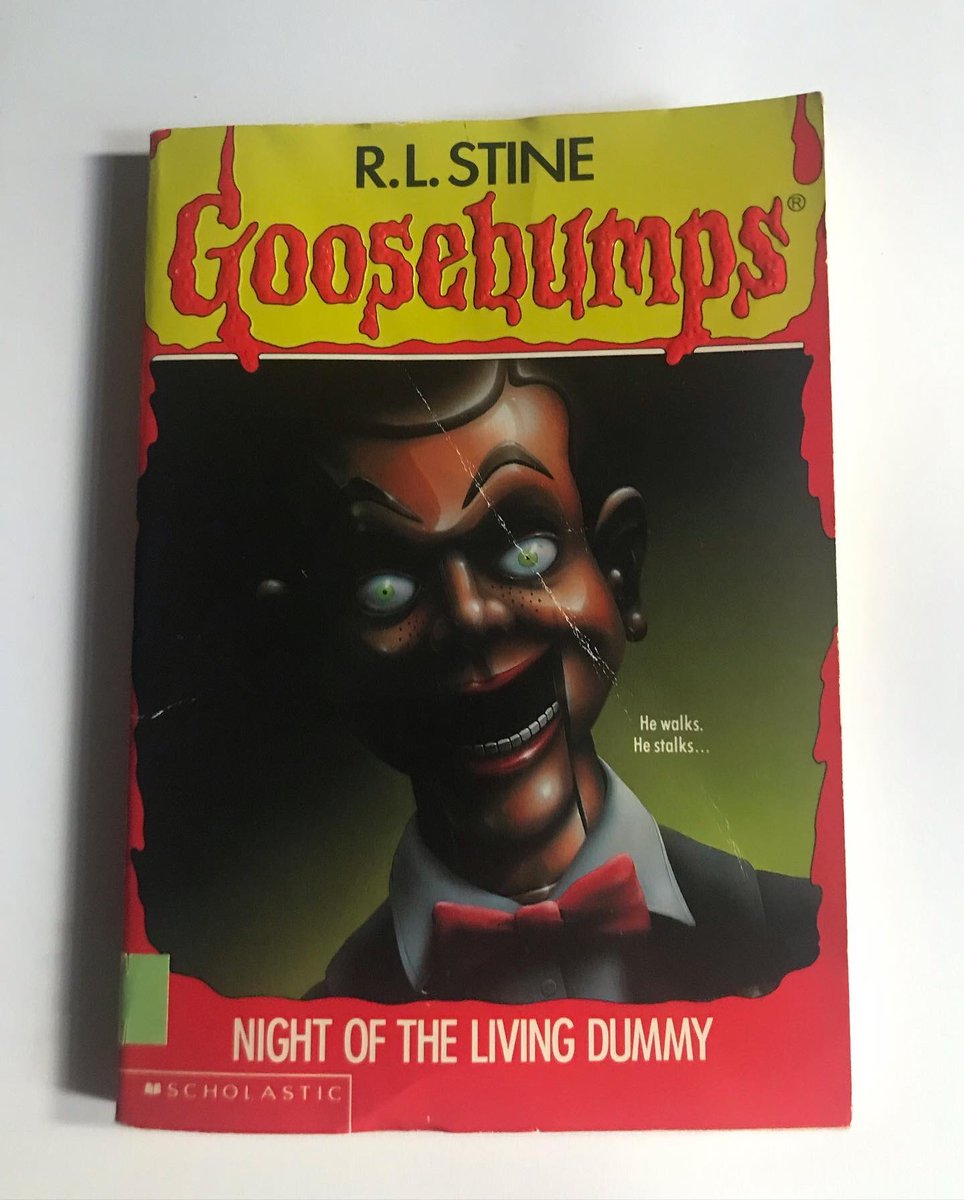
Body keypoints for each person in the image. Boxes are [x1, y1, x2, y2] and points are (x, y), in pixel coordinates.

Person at [303, 358, 820, 1003]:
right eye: (387, 588)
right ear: (322, 656)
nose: (470, 616)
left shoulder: (809, 945)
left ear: (619, 571)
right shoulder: (320, 1025)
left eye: (526, 550)